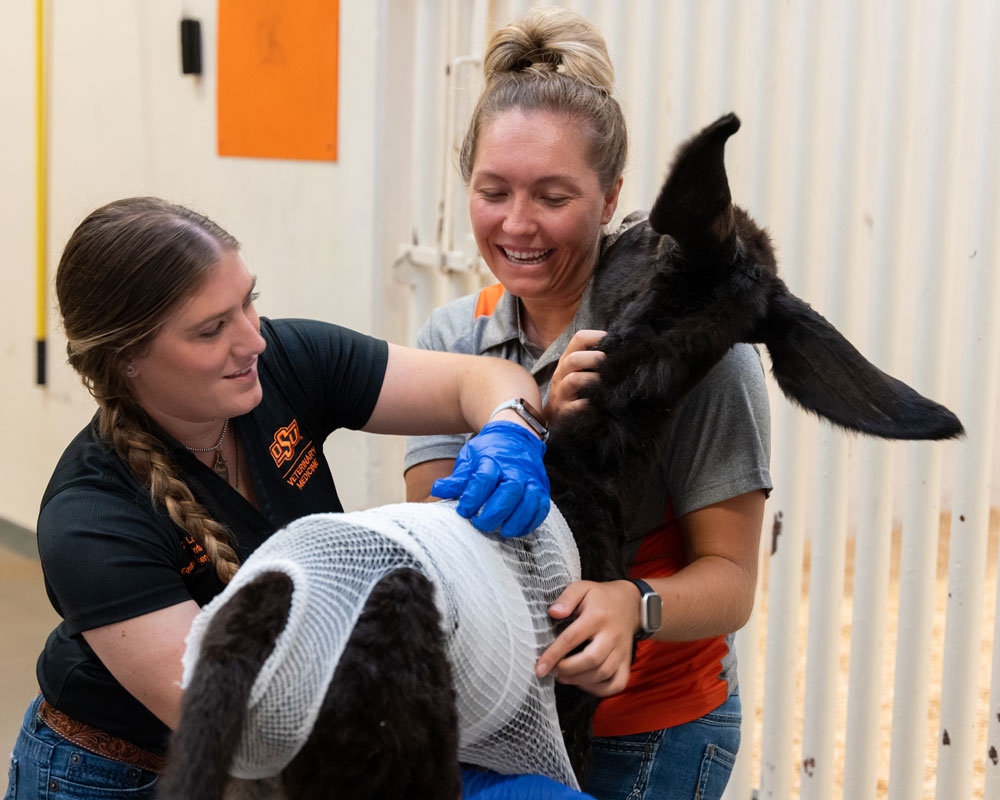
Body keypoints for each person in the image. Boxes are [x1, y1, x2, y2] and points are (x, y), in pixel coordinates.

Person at [3, 196, 552, 800]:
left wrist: (508, 429)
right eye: (212, 329)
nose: (252, 341)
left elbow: (477, 379)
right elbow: (241, 726)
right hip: (120, 774)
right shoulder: (90, 520)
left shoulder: (283, 365)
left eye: (249, 302)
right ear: (126, 359)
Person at [404, 8, 772, 800]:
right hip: (495, 718)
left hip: (649, 731)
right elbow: (428, 524)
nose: (517, 224)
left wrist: (631, 603)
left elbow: (733, 582)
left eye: (553, 195)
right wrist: (533, 418)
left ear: (611, 200)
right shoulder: (451, 336)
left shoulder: (698, 353)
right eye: (492, 191)